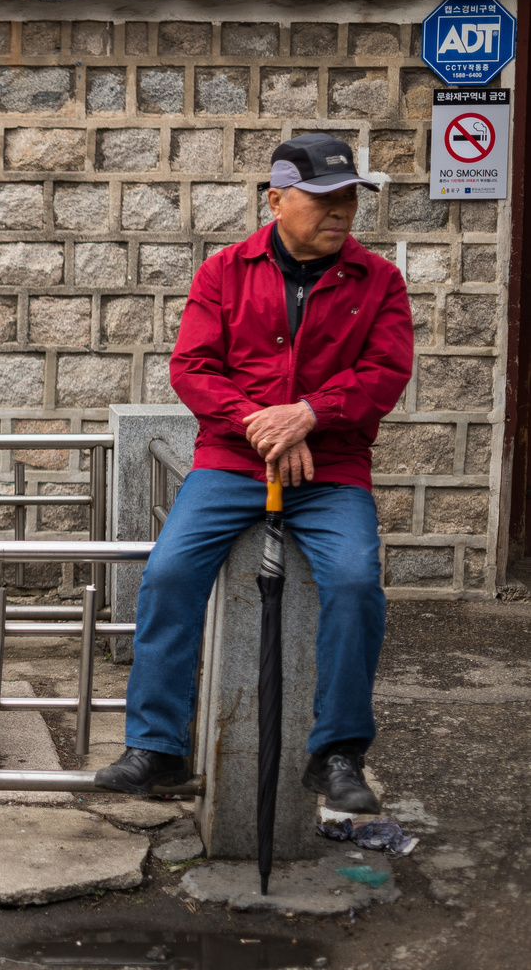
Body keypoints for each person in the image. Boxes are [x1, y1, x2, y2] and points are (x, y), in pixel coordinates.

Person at [96, 134, 413, 813]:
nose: (343, 212)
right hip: (233, 461)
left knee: (357, 583)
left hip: (331, 468)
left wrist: (308, 414)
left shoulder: (379, 281)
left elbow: (385, 374)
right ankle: (159, 747)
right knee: (171, 573)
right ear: (276, 199)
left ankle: (336, 752)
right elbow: (193, 368)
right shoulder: (224, 272)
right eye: (326, 198)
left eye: (350, 198)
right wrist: (261, 424)